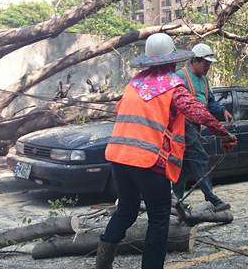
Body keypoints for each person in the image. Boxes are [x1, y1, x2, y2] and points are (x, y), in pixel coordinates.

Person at [96, 33, 237, 269]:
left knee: (127, 211)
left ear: (148, 61)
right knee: (159, 219)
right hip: (148, 161)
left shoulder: (133, 85)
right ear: (172, 61)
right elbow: (197, 112)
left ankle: (103, 261)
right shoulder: (173, 87)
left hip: (119, 158)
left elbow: (122, 111)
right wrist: (225, 134)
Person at [173, 43, 234, 212]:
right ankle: (212, 199)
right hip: (183, 125)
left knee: (183, 166)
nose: (208, 67)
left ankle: (176, 200)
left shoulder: (204, 80)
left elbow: (211, 103)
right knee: (200, 159)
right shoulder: (180, 77)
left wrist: (222, 111)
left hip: (196, 125)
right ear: (195, 61)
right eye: (206, 63)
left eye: (209, 64)